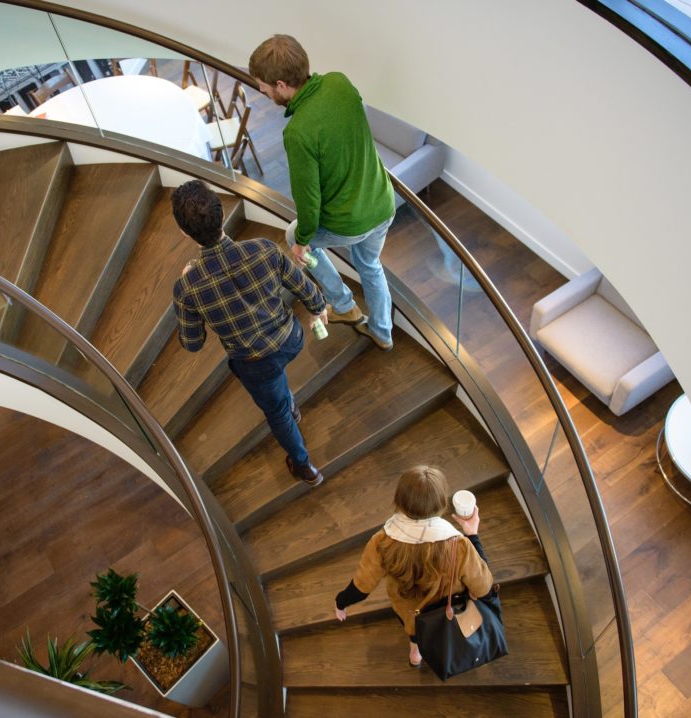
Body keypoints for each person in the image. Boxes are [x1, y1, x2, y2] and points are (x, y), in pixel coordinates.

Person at [171, 180, 328, 486]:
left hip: (255, 362)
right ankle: (289, 407)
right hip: (291, 339)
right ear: (222, 213)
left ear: (184, 233)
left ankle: (304, 466)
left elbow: (192, 343)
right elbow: (308, 291)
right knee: (276, 383)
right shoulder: (264, 249)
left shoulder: (187, 287)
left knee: (278, 411)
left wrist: (191, 293)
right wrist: (319, 308)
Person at [249, 34, 397, 351]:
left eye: (264, 87)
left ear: (281, 85)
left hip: (350, 221)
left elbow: (309, 201)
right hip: (382, 202)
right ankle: (383, 331)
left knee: (292, 236)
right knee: (370, 266)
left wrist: (302, 242)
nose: (262, 92)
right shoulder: (339, 83)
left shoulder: (299, 132)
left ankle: (343, 305)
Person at [333, 465, 493, 667]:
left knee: (413, 628)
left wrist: (341, 602)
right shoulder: (458, 544)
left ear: (399, 501)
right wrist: (472, 535)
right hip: (447, 607)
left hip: (408, 610)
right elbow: (484, 586)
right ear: (441, 503)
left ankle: (415, 653)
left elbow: (362, 587)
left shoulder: (381, 541)